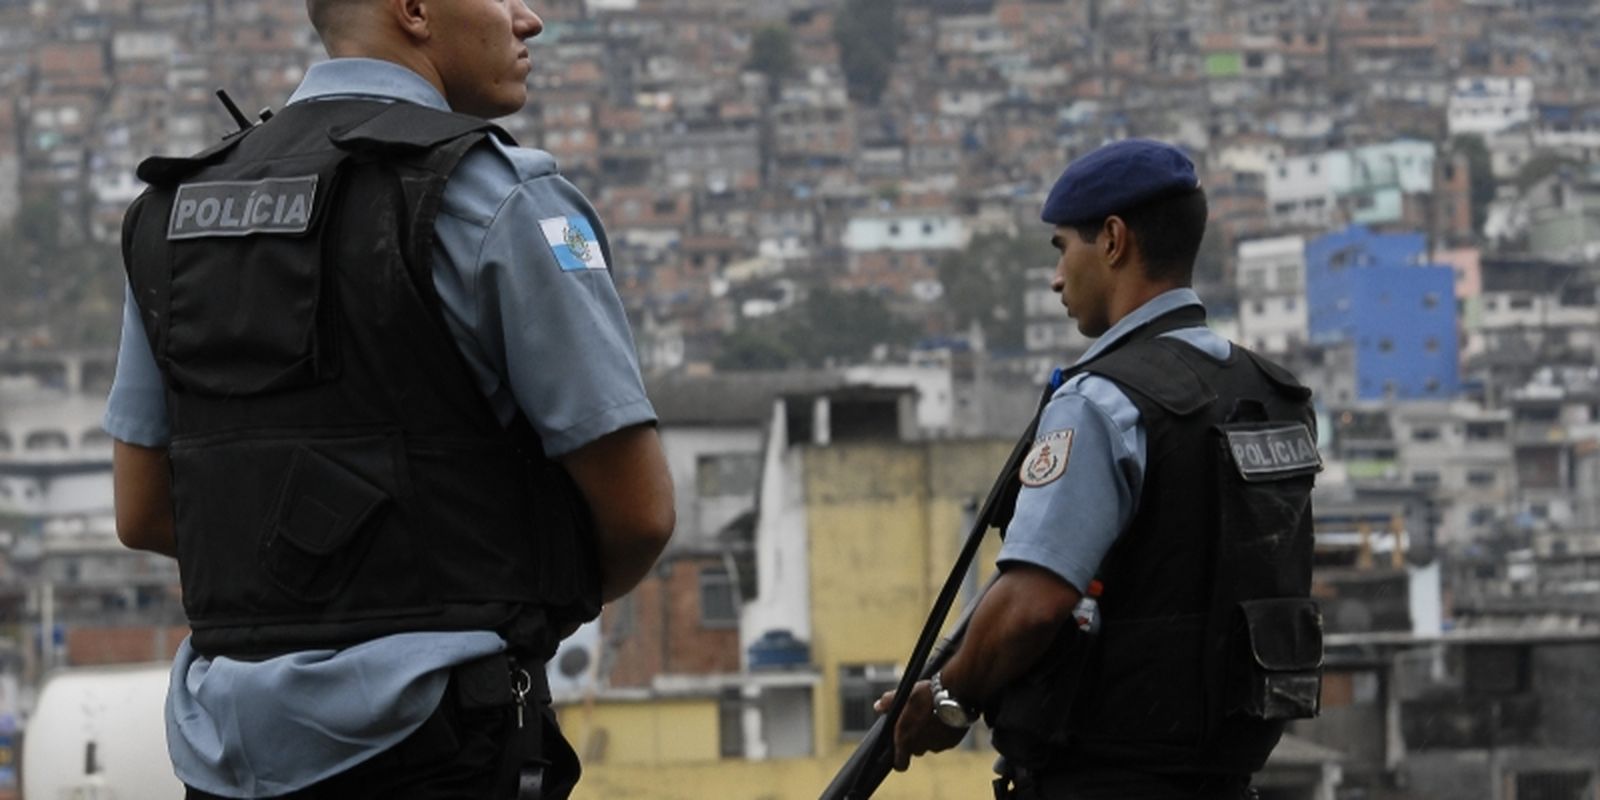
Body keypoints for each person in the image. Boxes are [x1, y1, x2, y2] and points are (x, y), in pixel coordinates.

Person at [106, 1, 674, 797]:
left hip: (225, 756)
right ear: (412, 9)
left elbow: (143, 512)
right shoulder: (500, 199)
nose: (529, 18)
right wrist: (494, 596)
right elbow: (640, 513)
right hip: (441, 744)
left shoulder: (175, 212)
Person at [875, 139, 1323, 799]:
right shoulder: (1272, 395)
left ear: (1112, 240)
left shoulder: (1101, 402)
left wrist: (948, 695)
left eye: (1062, 249)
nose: (1057, 278)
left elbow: (1035, 603)